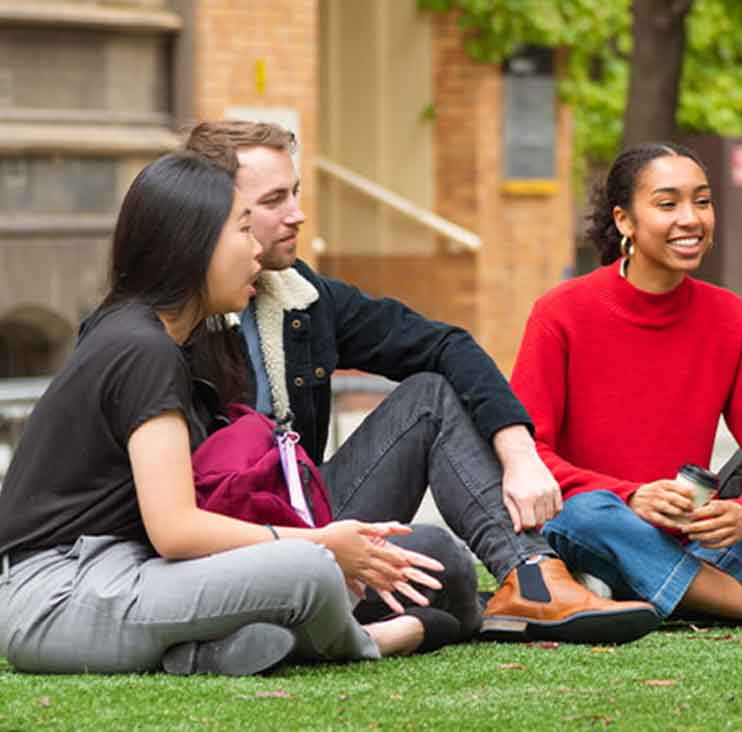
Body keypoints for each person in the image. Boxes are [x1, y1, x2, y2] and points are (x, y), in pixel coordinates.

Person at [184, 121, 658, 644]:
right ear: (213, 213)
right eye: (274, 200)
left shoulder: (299, 297)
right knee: (436, 560)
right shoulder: (165, 324)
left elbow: (445, 345)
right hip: (219, 555)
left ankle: (532, 578)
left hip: (314, 521)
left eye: (295, 192)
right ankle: (390, 620)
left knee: (432, 454)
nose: (297, 213)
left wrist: (520, 453)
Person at [0, 152, 456, 675]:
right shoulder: (142, 349)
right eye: (243, 230)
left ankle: (207, 653)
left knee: (386, 556)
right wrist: (322, 543)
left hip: (120, 576)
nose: (256, 250)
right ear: (194, 247)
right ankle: (367, 640)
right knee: (310, 568)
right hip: (58, 598)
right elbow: (175, 529)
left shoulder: (151, 337)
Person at [509, 142, 742, 628]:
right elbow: (530, 454)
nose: (691, 218)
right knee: (584, 516)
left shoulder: (731, 318)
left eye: (702, 201)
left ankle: (643, 589)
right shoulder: (560, 313)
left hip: (692, 536)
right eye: (667, 203)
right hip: (603, 522)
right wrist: (631, 496)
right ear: (625, 220)